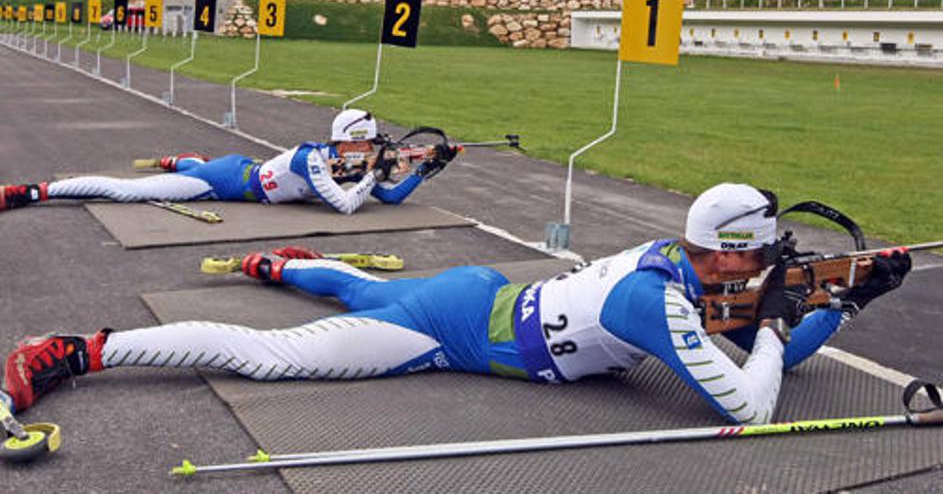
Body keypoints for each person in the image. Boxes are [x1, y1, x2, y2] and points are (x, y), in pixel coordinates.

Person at [1, 183, 911, 423]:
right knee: (273, 356)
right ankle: (74, 349)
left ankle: (279, 264)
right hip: (455, 333)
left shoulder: (676, 261)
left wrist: (845, 306)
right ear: (727, 257)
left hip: (487, 294)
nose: (761, 277)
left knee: (365, 284)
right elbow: (752, 398)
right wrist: (782, 320)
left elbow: (770, 352)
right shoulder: (654, 301)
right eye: (757, 264)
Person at [0, 109, 455, 215]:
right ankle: (35, 191)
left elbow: (390, 199)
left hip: (242, 167)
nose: (375, 149)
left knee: (193, 166)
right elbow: (344, 205)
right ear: (351, 142)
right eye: (370, 144)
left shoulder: (349, 165)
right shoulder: (311, 159)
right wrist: (376, 171)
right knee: (130, 192)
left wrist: (426, 169)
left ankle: (183, 160)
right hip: (228, 181)